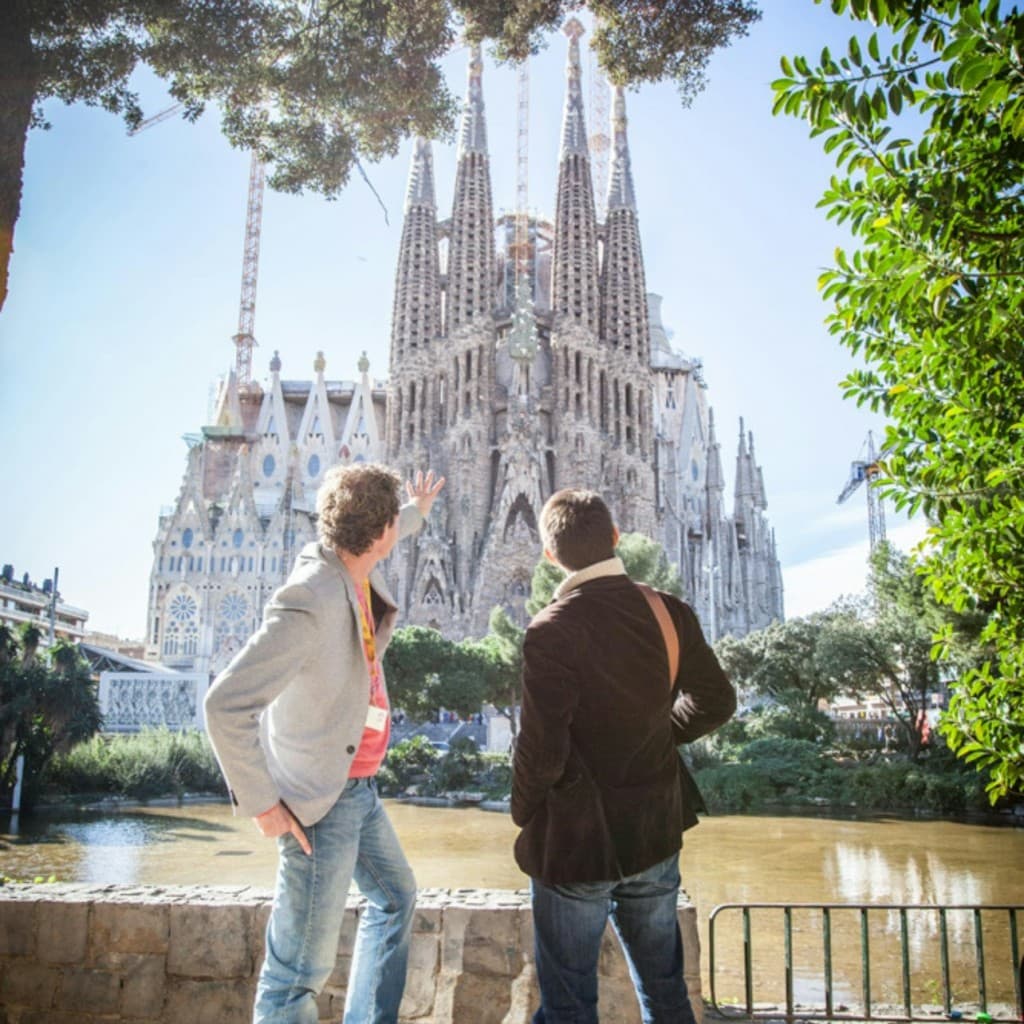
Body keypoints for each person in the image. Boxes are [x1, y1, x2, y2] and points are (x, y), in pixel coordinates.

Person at [204, 464, 444, 1024]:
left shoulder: (352, 563)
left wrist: (417, 513)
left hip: (356, 787)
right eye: (393, 525)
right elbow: (224, 704)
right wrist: (263, 803)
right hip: (320, 799)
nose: (395, 533)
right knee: (296, 975)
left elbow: (387, 526)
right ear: (377, 532)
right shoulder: (311, 597)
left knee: (394, 900)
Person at [511, 489, 736, 1024]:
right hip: (655, 834)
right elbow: (718, 701)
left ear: (550, 555)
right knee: (665, 990)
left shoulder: (551, 628)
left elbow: (540, 749)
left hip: (575, 844)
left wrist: (523, 811)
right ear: (616, 538)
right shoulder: (667, 611)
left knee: (568, 1004)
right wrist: (660, 733)